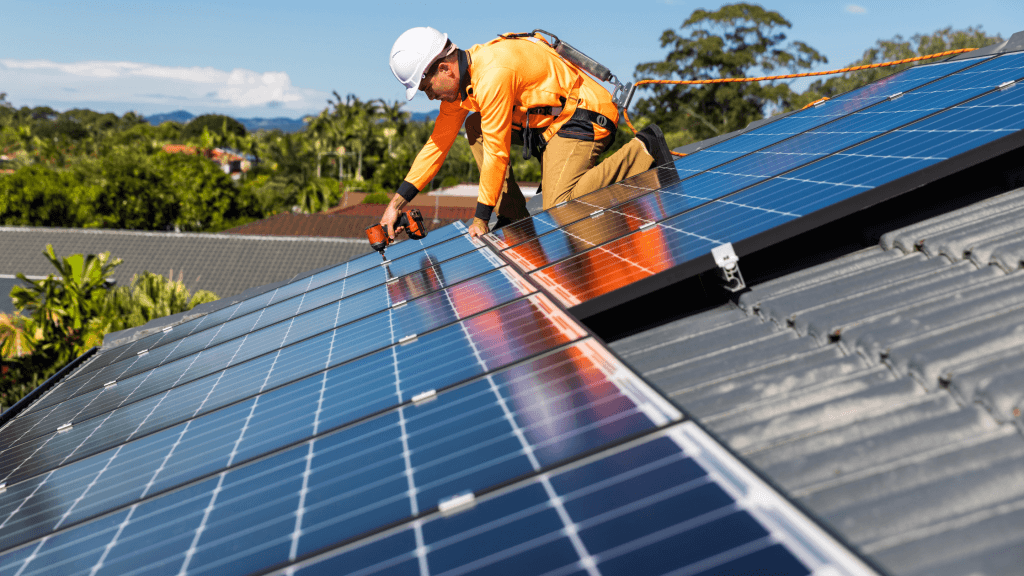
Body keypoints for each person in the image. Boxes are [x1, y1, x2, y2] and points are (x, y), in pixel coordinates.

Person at [380, 27, 674, 239]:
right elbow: (437, 145)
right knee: (474, 125)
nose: (429, 97)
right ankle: (513, 217)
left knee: (560, 204)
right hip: (549, 128)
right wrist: (396, 205)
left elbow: (497, 151)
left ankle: (644, 148)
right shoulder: (462, 88)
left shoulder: (493, 72)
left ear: (445, 69)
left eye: (427, 88)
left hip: (584, 115)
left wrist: (481, 219)